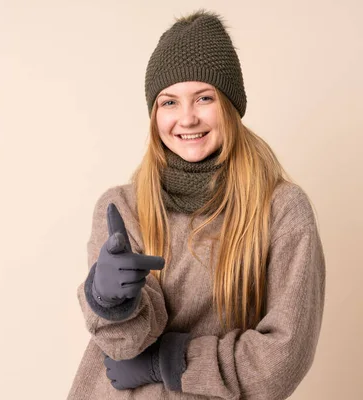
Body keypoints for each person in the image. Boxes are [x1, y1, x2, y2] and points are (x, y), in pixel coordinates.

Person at [67, 9, 326, 400]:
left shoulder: (282, 211)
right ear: (154, 114)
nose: (186, 118)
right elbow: (124, 347)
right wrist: (110, 301)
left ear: (230, 105)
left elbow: (282, 357)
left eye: (203, 98)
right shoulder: (122, 206)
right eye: (169, 102)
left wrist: (169, 361)